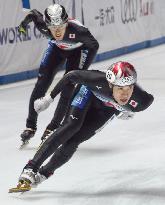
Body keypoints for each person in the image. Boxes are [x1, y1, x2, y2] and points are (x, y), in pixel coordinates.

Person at [9, 61, 154, 193]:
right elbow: (71, 75)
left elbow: (145, 99)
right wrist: (49, 98)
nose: (125, 93)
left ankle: (43, 173)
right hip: (88, 93)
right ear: (110, 84)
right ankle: (31, 167)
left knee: (73, 141)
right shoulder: (96, 79)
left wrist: (121, 109)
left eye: (129, 88)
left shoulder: (141, 101)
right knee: (71, 126)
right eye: (120, 88)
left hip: (106, 109)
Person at [18, 3, 99, 146]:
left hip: (78, 52)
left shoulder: (79, 31)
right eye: (53, 28)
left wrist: (82, 70)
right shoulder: (41, 23)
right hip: (56, 49)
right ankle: (30, 126)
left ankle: (53, 127)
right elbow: (32, 14)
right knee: (41, 84)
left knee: (68, 86)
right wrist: (23, 25)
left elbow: (94, 45)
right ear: (47, 25)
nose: (57, 32)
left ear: (66, 23)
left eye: (61, 27)